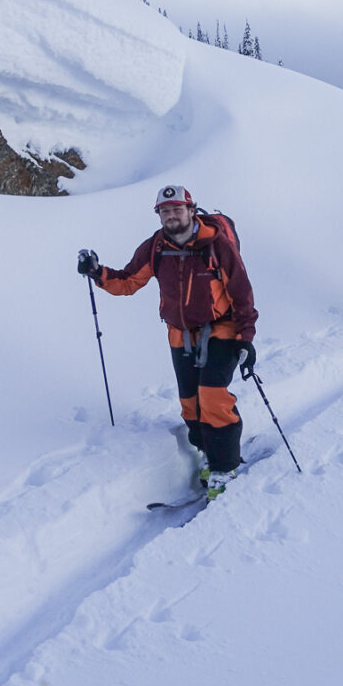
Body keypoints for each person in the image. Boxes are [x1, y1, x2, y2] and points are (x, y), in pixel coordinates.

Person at [77, 185, 257, 498]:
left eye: (177, 209)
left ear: (191, 210)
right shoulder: (156, 247)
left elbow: (242, 294)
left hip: (222, 329)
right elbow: (128, 281)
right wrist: (97, 273)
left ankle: (225, 466)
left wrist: (246, 339)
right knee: (190, 403)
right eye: (164, 211)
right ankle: (206, 452)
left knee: (213, 396)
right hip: (179, 333)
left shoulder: (217, 246)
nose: (171, 215)